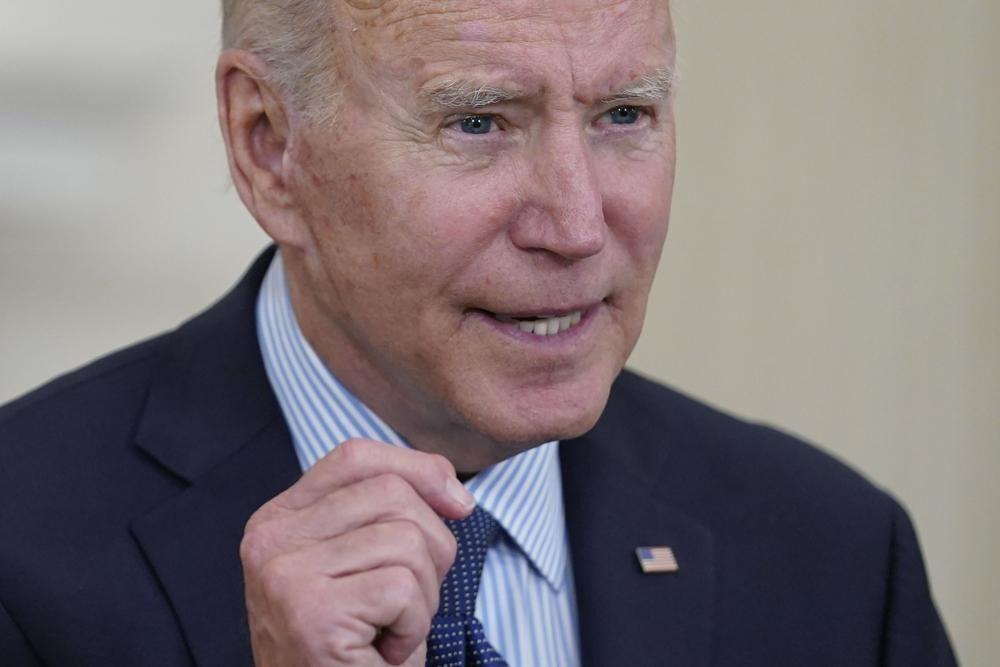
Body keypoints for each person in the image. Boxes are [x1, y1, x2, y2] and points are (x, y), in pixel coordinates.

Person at [0, 0, 958, 665]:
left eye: (625, 114)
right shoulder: (23, 550)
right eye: (479, 124)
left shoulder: (832, 557)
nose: (578, 225)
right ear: (269, 146)